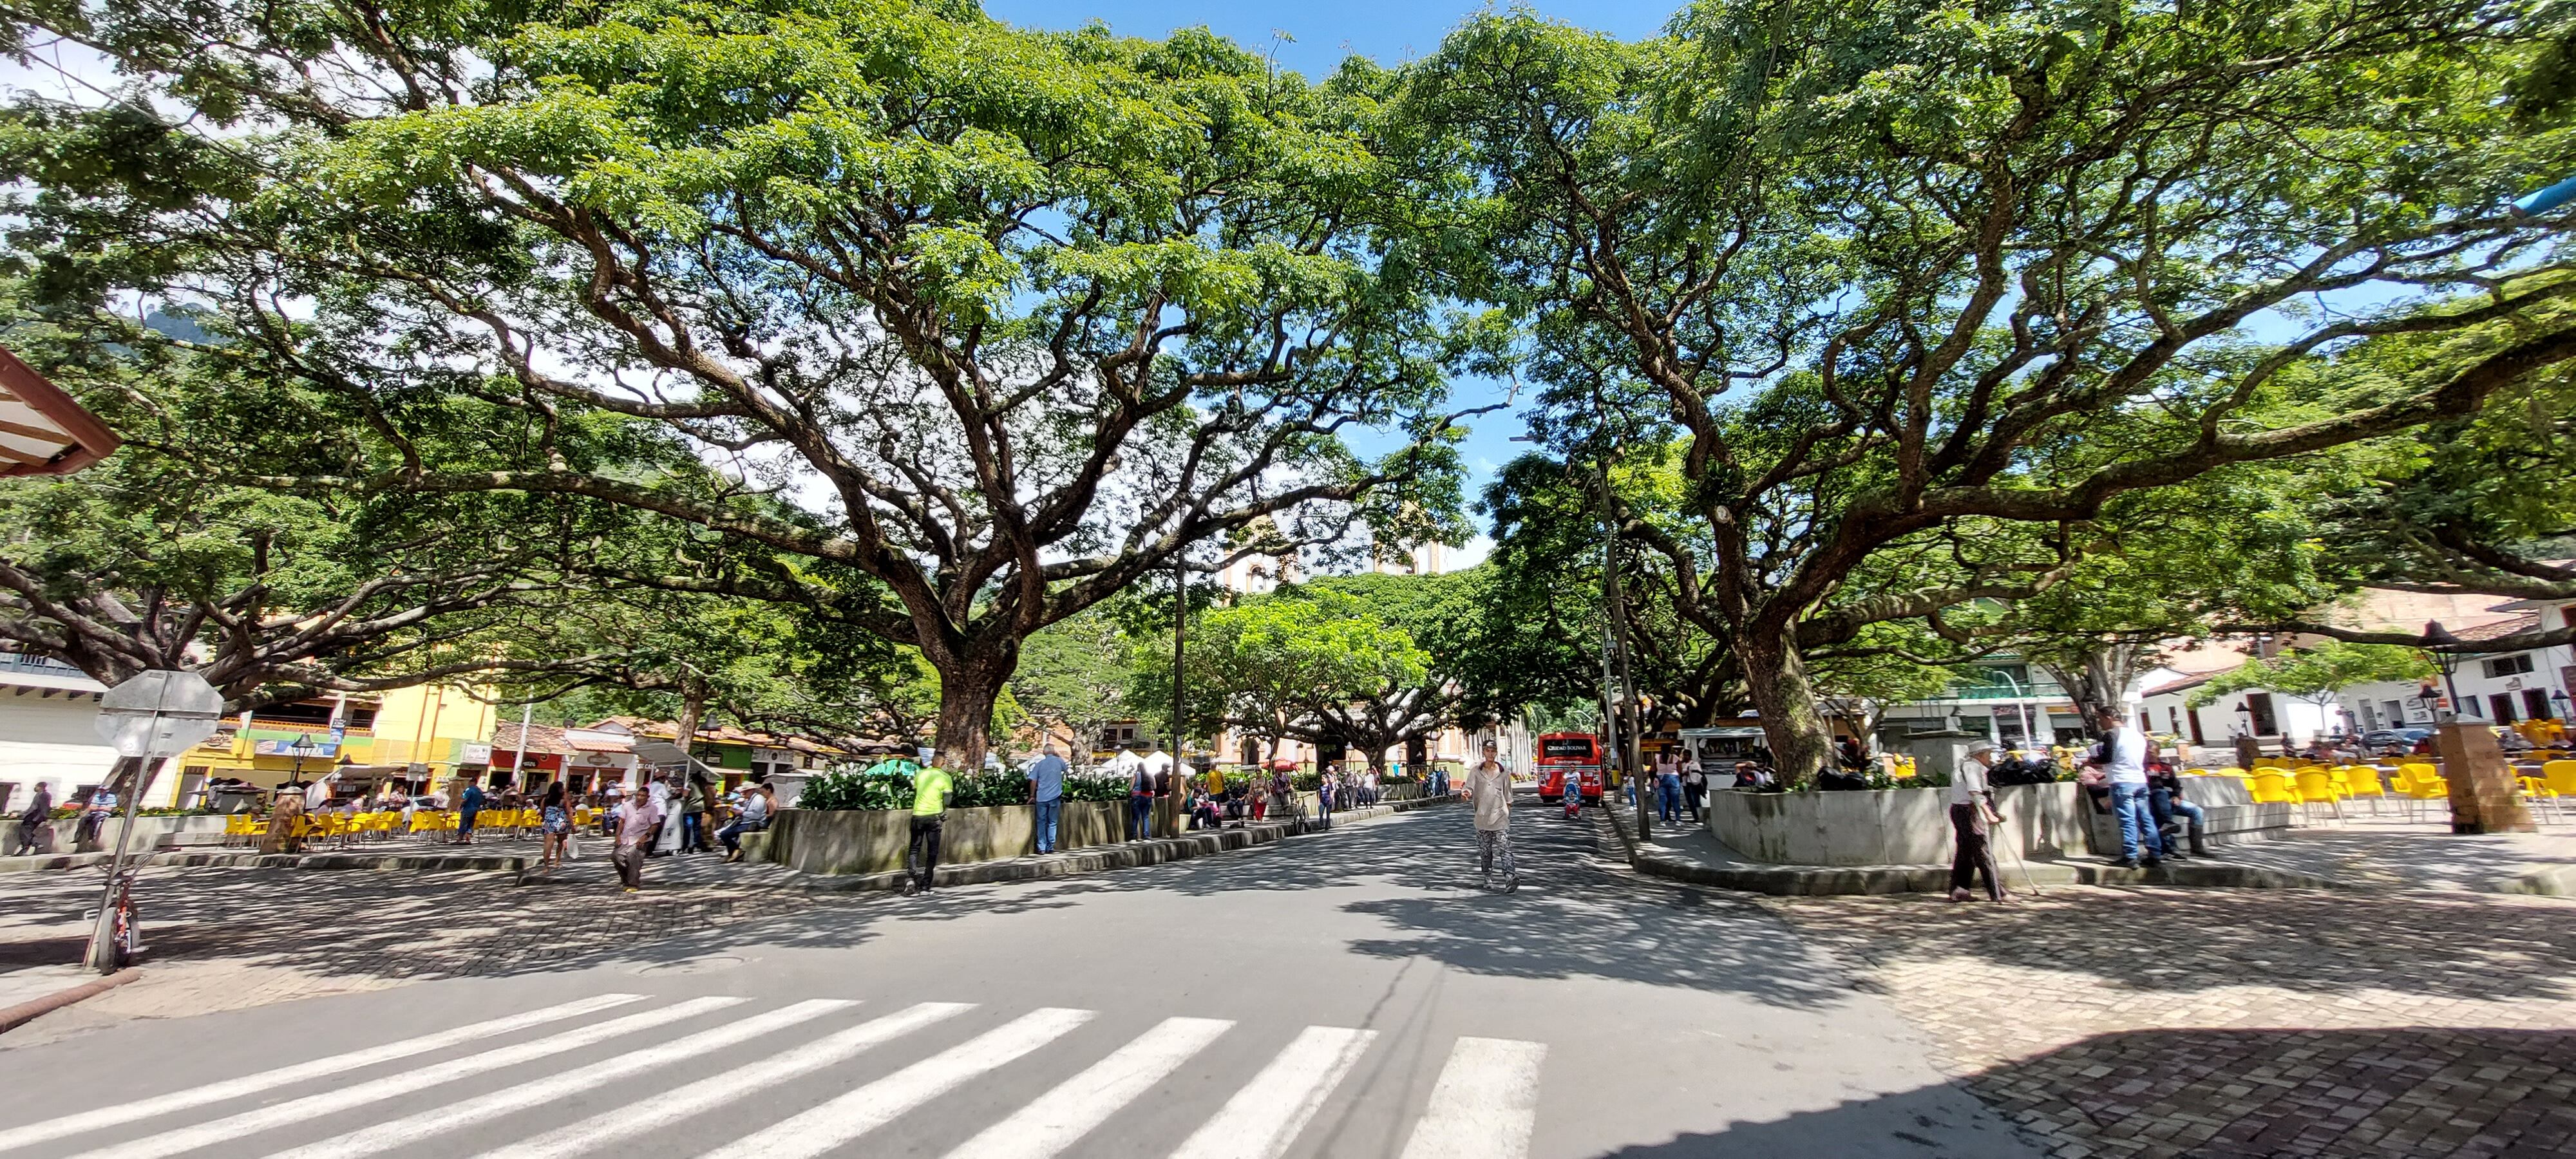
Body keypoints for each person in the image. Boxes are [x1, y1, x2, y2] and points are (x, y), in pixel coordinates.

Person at [2085, 706, 2160, 868]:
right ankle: (2155, 853)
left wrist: (2091, 761)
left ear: (2109, 717)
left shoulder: (2112, 735)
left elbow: (2108, 757)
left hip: (2121, 781)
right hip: (2140, 780)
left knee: (2128, 820)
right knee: (2146, 818)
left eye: (2100, 719)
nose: (2099, 723)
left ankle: (2130, 856)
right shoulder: (2138, 735)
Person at [1947, 744, 2006, 903]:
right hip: (1970, 812)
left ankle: (1959, 889)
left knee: (1965, 852)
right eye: (1988, 754)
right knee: (1982, 850)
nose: (1990, 758)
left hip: (1961, 810)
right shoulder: (1972, 767)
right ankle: (1997, 892)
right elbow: (1975, 792)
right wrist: (1988, 814)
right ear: (1980, 755)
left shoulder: (1963, 766)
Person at [1463, 739, 1517, 892]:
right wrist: (1466, 793)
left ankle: (1510, 877)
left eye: (1493, 750)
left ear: (1496, 753)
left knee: (1505, 848)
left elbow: (1509, 797)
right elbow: (1469, 788)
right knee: (1486, 851)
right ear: (1484, 752)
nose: (1491, 753)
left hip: (1500, 817)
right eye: (1488, 750)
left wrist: (1508, 816)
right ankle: (1487, 876)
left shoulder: (1504, 773)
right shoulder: (1475, 771)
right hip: (1482, 818)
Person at [906, 762, 955, 895]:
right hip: (934, 816)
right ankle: (925, 886)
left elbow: (916, 790)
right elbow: (948, 799)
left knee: (914, 848)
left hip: (918, 815)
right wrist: (943, 812)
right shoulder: (945, 777)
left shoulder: (921, 774)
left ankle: (911, 880)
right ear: (944, 763)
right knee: (932, 852)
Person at [2146, 761, 2211, 860]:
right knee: (2164, 815)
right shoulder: (2143, 767)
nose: (2150, 755)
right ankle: (2169, 850)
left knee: (2197, 811)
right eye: (2148, 752)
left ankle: (2197, 848)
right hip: (2156, 803)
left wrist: (2176, 797)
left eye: (2153, 752)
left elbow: (2176, 786)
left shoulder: (2166, 767)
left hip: (2172, 800)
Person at [612, 778, 663, 893]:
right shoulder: (627, 806)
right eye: (638, 795)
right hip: (626, 837)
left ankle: (632, 883)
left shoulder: (652, 808)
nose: (640, 798)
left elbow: (655, 825)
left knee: (633, 856)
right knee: (616, 856)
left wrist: (645, 837)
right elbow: (621, 822)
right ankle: (626, 878)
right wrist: (617, 836)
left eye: (643, 796)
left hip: (641, 838)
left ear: (647, 797)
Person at [719, 773, 774, 862]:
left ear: (752, 790)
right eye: (743, 792)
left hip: (754, 823)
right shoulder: (751, 799)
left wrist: (742, 813)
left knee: (726, 834)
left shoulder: (758, 799)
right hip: (747, 822)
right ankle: (733, 852)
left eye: (745, 792)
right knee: (724, 833)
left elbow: (756, 815)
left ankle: (736, 851)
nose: (743, 794)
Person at [1025, 745, 1068, 854]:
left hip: (1042, 797)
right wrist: (1057, 754)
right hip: (1055, 797)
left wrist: (1032, 795)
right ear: (1054, 752)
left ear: (1044, 753)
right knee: (1052, 822)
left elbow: (1033, 781)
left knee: (1041, 822)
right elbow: (1067, 770)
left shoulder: (1040, 764)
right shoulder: (1059, 761)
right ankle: (1050, 846)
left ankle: (1041, 847)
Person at [1114, 742, 1153, 842]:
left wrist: (1131, 790)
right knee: (1145, 817)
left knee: (1135, 817)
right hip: (1147, 797)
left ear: (1138, 767)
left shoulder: (1136, 775)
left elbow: (1131, 787)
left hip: (1136, 797)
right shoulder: (1149, 775)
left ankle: (1134, 836)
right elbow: (1155, 787)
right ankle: (1146, 836)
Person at [9, 782, 52, 856]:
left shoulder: (39, 795)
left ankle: (27, 848)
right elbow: (47, 808)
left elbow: (34, 808)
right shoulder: (47, 795)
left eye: (36, 786)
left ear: (40, 787)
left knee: (24, 832)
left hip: (33, 817)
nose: (35, 788)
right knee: (29, 832)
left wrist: (20, 814)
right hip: (40, 817)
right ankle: (35, 843)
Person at [539, 781, 573, 872]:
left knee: (548, 844)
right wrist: (573, 826)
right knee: (561, 842)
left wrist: (545, 818)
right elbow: (569, 813)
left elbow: (542, 811)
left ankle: (546, 866)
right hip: (561, 822)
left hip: (549, 822)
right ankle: (556, 862)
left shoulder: (545, 799)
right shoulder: (564, 801)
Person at [1653, 749, 1683, 824]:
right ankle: (1678, 819)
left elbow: (1653, 769)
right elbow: (1680, 768)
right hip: (1673, 779)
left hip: (1661, 779)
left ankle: (1662, 820)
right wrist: (1678, 775)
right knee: (1676, 800)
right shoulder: (1675, 757)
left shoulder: (1657, 758)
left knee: (1662, 800)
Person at [455, 779, 485, 845]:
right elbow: (482, 800)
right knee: (470, 825)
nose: (468, 784)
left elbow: (465, 799)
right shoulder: (479, 791)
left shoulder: (469, 790)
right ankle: (468, 839)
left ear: (472, 782)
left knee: (463, 824)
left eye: (469, 782)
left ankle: (460, 839)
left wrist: (460, 806)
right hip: (475, 809)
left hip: (468, 809)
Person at [1680, 755, 1706, 823]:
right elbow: (1680, 774)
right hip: (1686, 785)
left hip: (1694, 785)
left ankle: (1699, 816)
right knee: (1690, 801)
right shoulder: (1682, 764)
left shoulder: (1695, 764)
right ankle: (1696, 816)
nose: (1685, 757)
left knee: (1695, 801)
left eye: (1686, 755)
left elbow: (1700, 774)